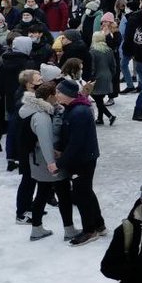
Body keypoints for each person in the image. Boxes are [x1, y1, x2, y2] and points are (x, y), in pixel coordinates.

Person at [21, 81, 76, 241]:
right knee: (64, 194)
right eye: (56, 95)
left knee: (42, 193)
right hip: (47, 163)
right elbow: (46, 142)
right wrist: (54, 164)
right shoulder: (41, 116)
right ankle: (69, 229)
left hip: (37, 161)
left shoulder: (31, 110)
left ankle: (37, 229)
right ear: (50, 96)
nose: (58, 98)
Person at [54, 78, 106, 246]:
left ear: (68, 95)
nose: (56, 95)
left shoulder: (79, 112)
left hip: (83, 159)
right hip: (83, 157)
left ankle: (90, 230)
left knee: (81, 194)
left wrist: (60, 163)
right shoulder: (72, 108)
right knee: (85, 191)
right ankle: (99, 224)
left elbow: (76, 143)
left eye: (58, 92)